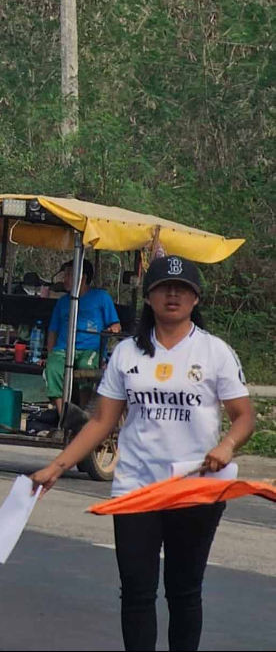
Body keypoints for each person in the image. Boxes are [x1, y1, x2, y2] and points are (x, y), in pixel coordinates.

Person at [31, 256, 255, 652]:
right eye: (164, 287)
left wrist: (226, 445)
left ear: (195, 297)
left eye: (182, 288)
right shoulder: (127, 354)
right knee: (136, 592)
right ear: (148, 298)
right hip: (136, 489)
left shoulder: (215, 352)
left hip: (195, 489)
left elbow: (243, 417)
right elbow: (101, 422)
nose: (173, 294)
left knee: (184, 592)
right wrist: (57, 466)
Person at [45, 259, 121, 417]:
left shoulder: (101, 297)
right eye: (65, 275)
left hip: (90, 350)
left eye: (69, 274)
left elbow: (116, 325)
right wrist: (51, 353)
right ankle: (64, 418)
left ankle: (83, 414)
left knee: (86, 368)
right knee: (53, 368)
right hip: (63, 349)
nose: (65, 279)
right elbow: (53, 330)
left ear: (83, 277)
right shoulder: (62, 302)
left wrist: (113, 329)